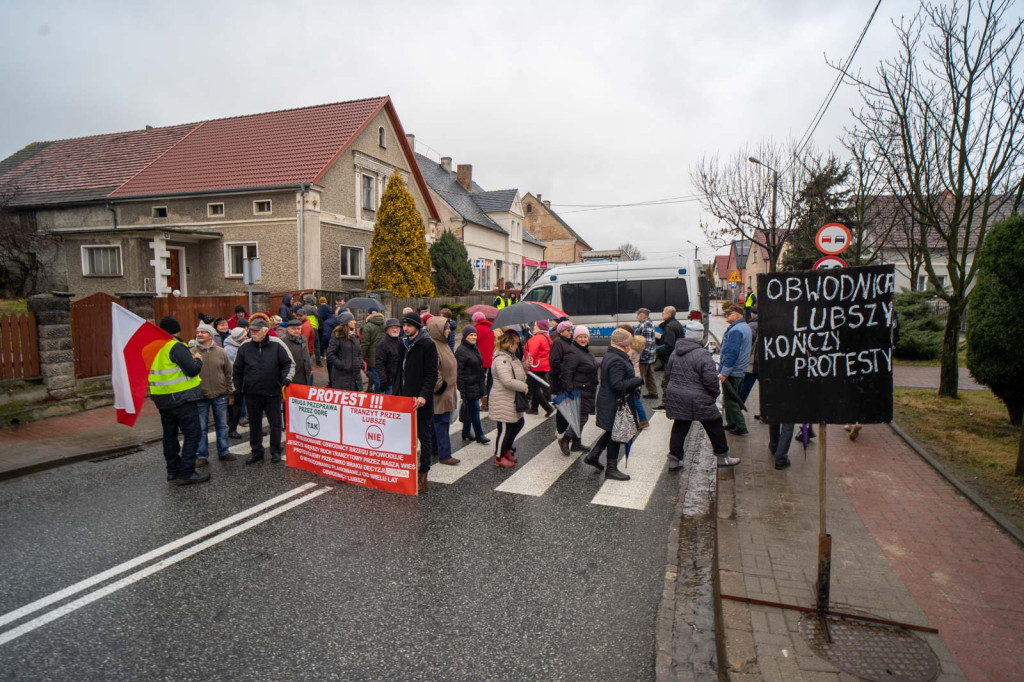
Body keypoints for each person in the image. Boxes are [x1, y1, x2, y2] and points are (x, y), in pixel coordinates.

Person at [665, 320, 740, 470]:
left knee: (680, 425)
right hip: (698, 397)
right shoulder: (703, 354)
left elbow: (668, 373)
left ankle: (674, 459)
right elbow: (711, 380)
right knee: (714, 424)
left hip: (677, 394)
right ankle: (722, 457)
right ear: (700, 336)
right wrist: (714, 395)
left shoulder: (675, 351)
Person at [151, 316, 208, 485]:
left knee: (170, 435)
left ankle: (172, 471)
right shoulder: (175, 345)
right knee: (193, 433)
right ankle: (187, 472)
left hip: (161, 398)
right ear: (177, 330)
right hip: (181, 397)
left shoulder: (153, 347)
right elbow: (192, 370)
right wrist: (198, 359)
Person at [584, 328, 644, 481]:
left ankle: (593, 455)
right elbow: (617, 385)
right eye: (629, 343)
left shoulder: (613, 355)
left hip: (611, 401)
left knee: (612, 431)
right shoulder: (617, 359)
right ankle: (611, 469)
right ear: (624, 344)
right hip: (613, 402)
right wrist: (637, 381)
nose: (630, 346)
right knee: (615, 435)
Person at [232, 318, 292, 465]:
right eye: (251, 331)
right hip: (252, 392)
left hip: (272, 392)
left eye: (256, 331)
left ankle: (275, 451)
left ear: (265, 331)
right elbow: (237, 370)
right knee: (255, 423)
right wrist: (237, 389)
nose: (253, 334)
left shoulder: (277, 344)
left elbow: (288, 363)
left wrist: (285, 379)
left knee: (275, 423)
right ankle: (257, 451)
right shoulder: (245, 347)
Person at [393, 312, 438, 492]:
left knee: (423, 437)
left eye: (409, 325)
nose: (406, 328)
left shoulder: (427, 345)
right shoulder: (403, 344)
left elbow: (432, 374)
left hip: (419, 400)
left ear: (417, 327)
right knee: (404, 437)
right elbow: (399, 370)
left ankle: (423, 472)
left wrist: (423, 396)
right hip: (404, 398)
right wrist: (395, 393)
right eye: (404, 325)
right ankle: (406, 471)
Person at [193, 322, 234, 466]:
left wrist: (230, 393)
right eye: (198, 332)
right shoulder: (191, 351)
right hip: (200, 396)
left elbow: (228, 373)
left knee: (222, 425)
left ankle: (224, 452)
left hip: (220, 394)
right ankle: (202, 455)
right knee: (202, 427)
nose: (199, 334)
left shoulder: (221, 352)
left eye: (203, 332)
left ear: (210, 335)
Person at [488, 329, 529, 468]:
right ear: (508, 344)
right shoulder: (502, 359)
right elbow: (507, 381)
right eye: (515, 343)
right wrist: (523, 387)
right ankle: (498, 457)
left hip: (511, 398)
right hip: (503, 399)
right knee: (505, 429)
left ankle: (506, 450)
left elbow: (516, 372)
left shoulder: (511, 357)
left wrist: (525, 366)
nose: (517, 346)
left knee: (519, 423)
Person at [557, 325, 598, 456]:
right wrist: (570, 391)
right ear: (575, 338)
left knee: (581, 416)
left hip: (587, 388)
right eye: (580, 337)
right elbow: (566, 374)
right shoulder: (573, 352)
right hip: (578, 390)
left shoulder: (585, 350)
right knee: (582, 417)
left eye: (585, 336)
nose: (582, 339)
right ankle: (566, 438)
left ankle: (576, 443)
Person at [427, 316, 460, 466]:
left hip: (447, 391)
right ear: (438, 330)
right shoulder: (433, 346)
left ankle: (435, 449)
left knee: (437, 422)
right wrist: (440, 386)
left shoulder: (442, 343)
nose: (449, 331)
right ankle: (444, 454)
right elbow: (433, 370)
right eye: (446, 328)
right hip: (441, 392)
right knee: (442, 423)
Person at [719, 304, 752, 436]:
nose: (727, 316)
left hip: (733, 371)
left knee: (731, 400)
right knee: (731, 398)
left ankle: (740, 426)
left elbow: (732, 353)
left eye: (729, 314)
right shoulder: (744, 327)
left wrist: (724, 372)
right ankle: (732, 423)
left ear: (737, 316)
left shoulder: (736, 330)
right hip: (739, 369)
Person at [456, 325, 489, 444]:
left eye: (475, 334)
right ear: (465, 336)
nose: (474, 337)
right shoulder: (461, 351)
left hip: (476, 383)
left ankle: (466, 432)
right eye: (471, 335)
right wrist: (462, 390)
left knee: (470, 409)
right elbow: (458, 373)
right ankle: (480, 435)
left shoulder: (474, 348)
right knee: (474, 410)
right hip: (468, 385)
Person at [653, 306, 685, 410]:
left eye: (663, 313)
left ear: (668, 314)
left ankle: (666, 404)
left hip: (670, 358)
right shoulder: (677, 324)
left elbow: (669, 345)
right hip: (676, 356)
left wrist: (659, 353)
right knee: (673, 381)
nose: (662, 314)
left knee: (667, 382)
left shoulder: (669, 326)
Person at [548, 319, 575, 441]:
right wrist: (567, 369)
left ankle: (563, 430)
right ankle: (560, 431)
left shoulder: (570, 342)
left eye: (571, 330)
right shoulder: (558, 343)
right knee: (563, 408)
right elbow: (554, 362)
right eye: (567, 330)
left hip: (568, 380)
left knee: (567, 407)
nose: (570, 332)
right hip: (560, 381)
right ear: (561, 331)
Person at [523, 319, 555, 417]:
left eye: (536, 325)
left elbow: (531, 354)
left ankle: (548, 408)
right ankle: (534, 408)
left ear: (540, 327)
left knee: (533, 389)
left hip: (535, 367)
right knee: (536, 387)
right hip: (544, 366)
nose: (534, 327)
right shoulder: (546, 337)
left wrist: (526, 365)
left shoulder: (536, 339)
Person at [327, 311, 362, 391]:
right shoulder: (337, 337)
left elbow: (359, 352)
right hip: (341, 377)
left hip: (356, 376)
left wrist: (360, 362)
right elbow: (330, 354)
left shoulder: (355, 335)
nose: (354, 322)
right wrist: (342, 365)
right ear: (346, 322)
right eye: (352, 320)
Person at [224, 326, 248, 440]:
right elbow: (231, 367)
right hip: (236, 382)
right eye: (244, 336)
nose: (247, 337)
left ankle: (255, 428)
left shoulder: (244, 345)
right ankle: (232, 429)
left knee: (250, 405)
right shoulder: (229, 350)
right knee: (235, 407)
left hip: (246, 380)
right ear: (239, 338)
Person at [635, 308, 659, 399]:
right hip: (649, 356)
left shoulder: (646, 325)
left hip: (644, 356)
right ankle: (653, 392)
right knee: (649, 375)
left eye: (637, 315)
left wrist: (643, 356)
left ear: (641, 315)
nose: (636, 317)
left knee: (639, 375)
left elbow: (647, 342)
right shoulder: (647, 323)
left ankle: (636, 393)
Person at [473, 311, 495, 409]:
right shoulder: (491, 328)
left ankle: (483, 402)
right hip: (489, 359)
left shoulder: (476, 329)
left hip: (479, 359)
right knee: (490, 381)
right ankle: (489, 401)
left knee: (479, 381)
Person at [376, 318, 403, 395]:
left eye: (397, 327)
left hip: (400, 380)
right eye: (392, 328)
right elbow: (380, 364)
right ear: (387, 330)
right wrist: (383, 381)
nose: (395, 330)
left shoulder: (402, 341)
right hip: (390, 381)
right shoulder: (383, 344)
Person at [361, 311, 386, 392]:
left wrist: (361, 356)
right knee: (383, 375)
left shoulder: (368, 326)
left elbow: (365, 343)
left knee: (375, 376)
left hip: (373, 355)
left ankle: (377, 394)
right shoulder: (385, 323)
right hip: (385, 354)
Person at [282, 319, 312, 386]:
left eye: (298, 328)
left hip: (304, 375)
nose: (296, 331)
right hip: (292, 376)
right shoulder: (284, 341)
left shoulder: (304, 339)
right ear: (288, 330)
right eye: (293, 329)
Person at [738, 307, 759, 404]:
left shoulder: (751, 325)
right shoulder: (765, 324)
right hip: (760, 362)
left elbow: (746, 343)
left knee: (745, 386)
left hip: (753, 362)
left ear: (753, 314)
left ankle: (737, 407)